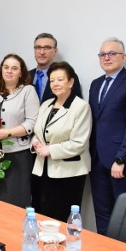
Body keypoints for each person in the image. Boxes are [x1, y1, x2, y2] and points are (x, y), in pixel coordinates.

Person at [88, 38, 126, 234]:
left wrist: (122, 158)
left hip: (119, 162)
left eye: (112, 53)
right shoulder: (96, 84)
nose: (107, 58)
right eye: (103, 54)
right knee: (102, 213)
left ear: (123, 57)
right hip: (96, 160)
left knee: (125, 216)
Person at [32, 61, 92, 221]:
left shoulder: (81, 107)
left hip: (69, 173)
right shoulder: (46, 104)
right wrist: (35, 143)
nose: (55, 84)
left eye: (60, 79)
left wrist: (50, 150)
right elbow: (38, 132)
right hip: (42, 169)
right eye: (52, 80)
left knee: (61, 218)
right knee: (41, 215)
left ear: (71, 82)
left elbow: (79, 143)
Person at [0, 54, 38, 208]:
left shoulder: (28, 91)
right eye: (6, 67)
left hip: (18, 155)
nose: (9, 71)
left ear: (21, 73)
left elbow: (32, 122)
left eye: (14, 68)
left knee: (14, 198)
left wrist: (7, 133)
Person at [29, 33, 82, 102]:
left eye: (47, 48)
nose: (42, 52)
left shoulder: (68, 75)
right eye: (38, 48)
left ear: (55, 51)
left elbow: (76, 104)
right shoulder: (25, 76)